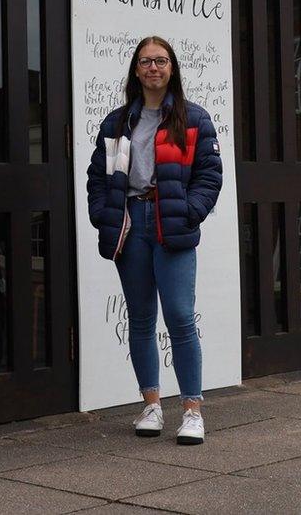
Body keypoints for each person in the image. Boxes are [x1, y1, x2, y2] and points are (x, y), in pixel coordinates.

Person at [86, 36, 222, 445]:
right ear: (135, 70)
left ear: (172, 68)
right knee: (141, 319)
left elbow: (210, 176)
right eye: (145, 61)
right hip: (132, 225)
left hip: (171, 225)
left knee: (180, 316)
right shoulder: (117, 122)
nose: (153, 68)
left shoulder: (194, 119)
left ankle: (193, 411)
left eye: (161, 61)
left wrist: (189, 210)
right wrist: (102, 214)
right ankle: (151, 405)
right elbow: (98, 177)